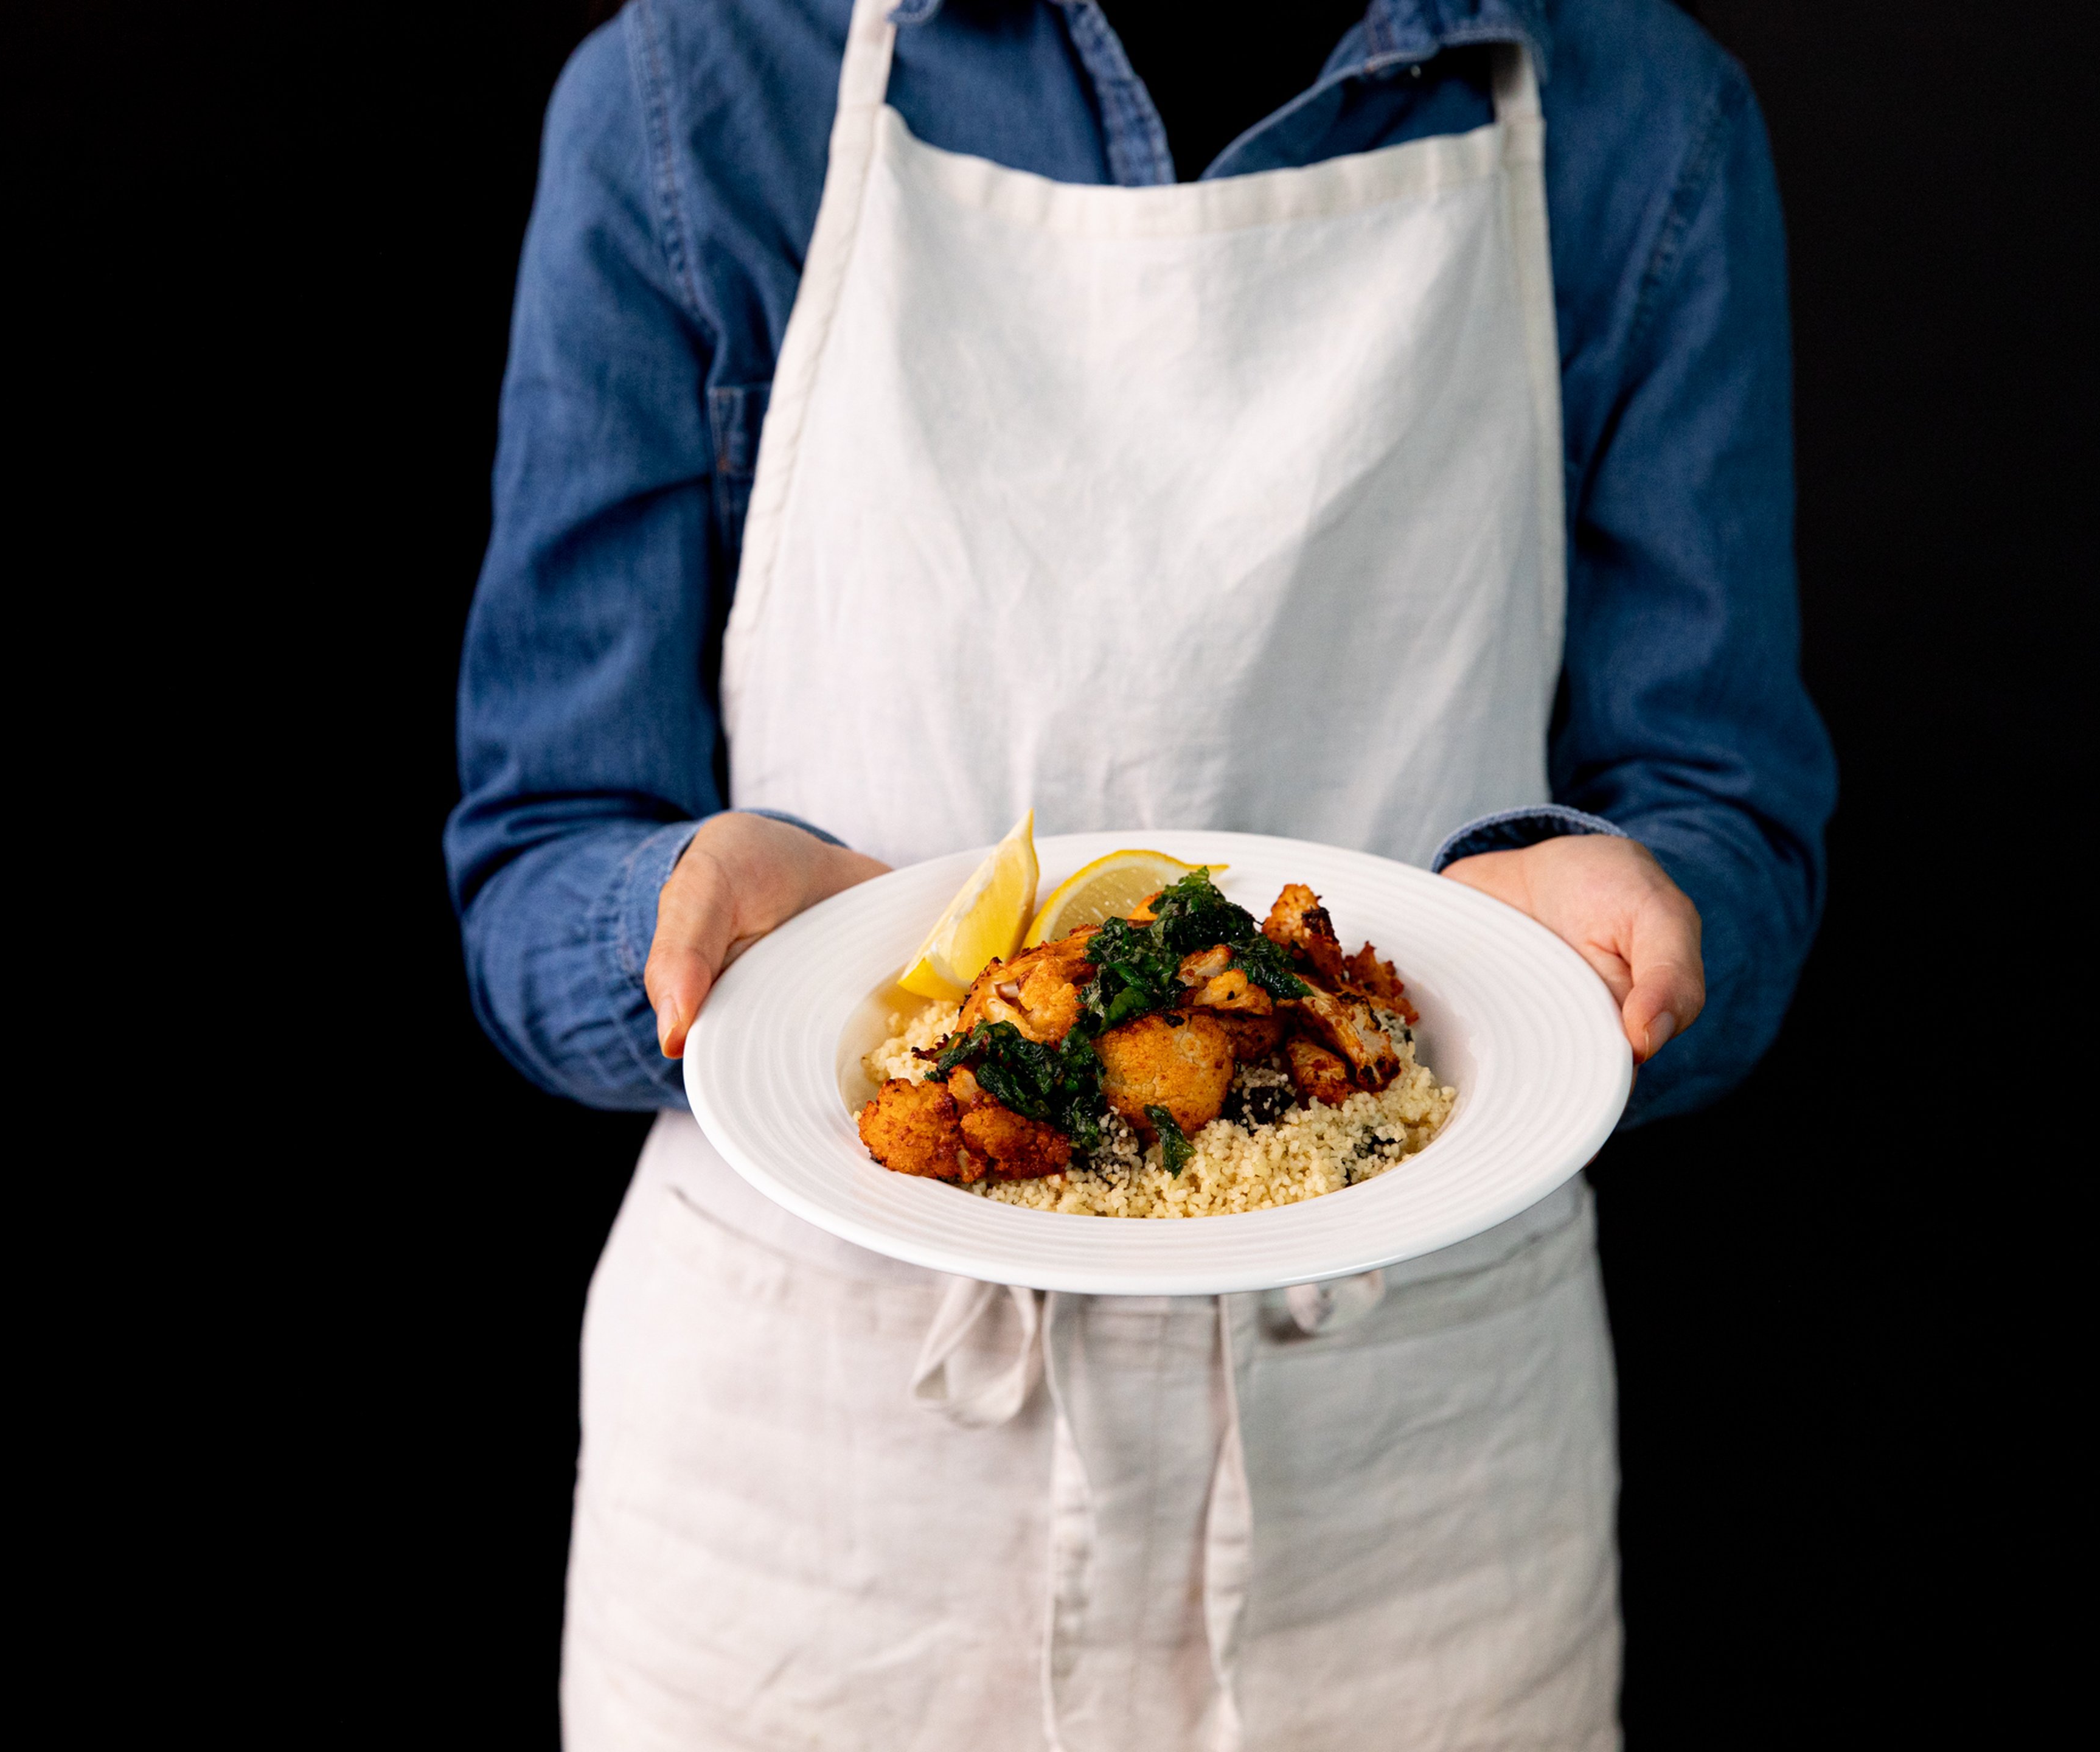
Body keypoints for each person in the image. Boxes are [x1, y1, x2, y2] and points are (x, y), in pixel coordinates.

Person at [448, 0, 1835, 1743]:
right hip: (813, 1511)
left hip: (1418, 1487)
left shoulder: (1649, 114)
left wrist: (1612, 929)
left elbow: (1733, 816)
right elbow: (535, 854)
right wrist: (667, 927)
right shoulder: (692, 82)